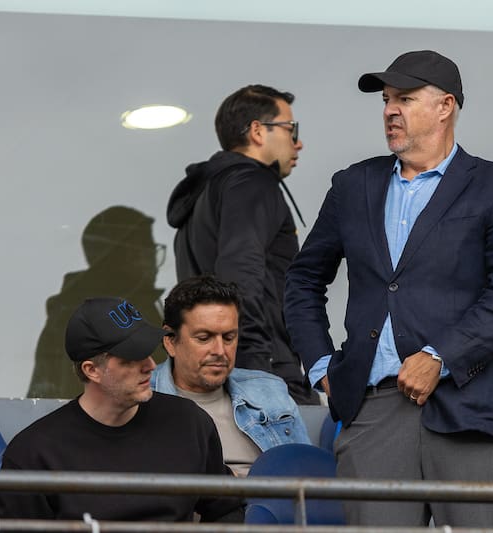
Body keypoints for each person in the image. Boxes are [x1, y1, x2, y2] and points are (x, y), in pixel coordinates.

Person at [284, 50, 493, 527]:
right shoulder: (352, 185)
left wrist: (441, 355)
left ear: (445, 106)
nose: (389, 110)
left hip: (474, 409)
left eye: (404, 98)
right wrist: (322, 365)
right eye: (385, 100)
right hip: (374, 407)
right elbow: (303, 279)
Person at [0, 298, 244, 522]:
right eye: (131, 357)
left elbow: (227, 510)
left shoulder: (189, 423)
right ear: (92, 370)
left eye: (149, 351)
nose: (151, 365)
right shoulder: (35, 453)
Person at [167, 84, 319, 405]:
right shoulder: (252, 183)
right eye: (291, 129)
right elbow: (241, 272)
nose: (298, 142)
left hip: (216, 371)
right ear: (257, 132)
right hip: (261, 370)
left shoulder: (206, 194)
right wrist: (254, 368)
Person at [151, 274, 311, 476]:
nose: (219, 350)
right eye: (204, 338)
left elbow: (309, 474)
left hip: (271, 502)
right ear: (170, 341)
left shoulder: (269, 390)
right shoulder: (142, 396)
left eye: (229, 337)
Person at [28, 205, 166, 398]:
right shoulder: (85, 318)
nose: (152, 262)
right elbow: (55, 390)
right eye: (146, 251)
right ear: (120, 257)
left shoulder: (138, 304)